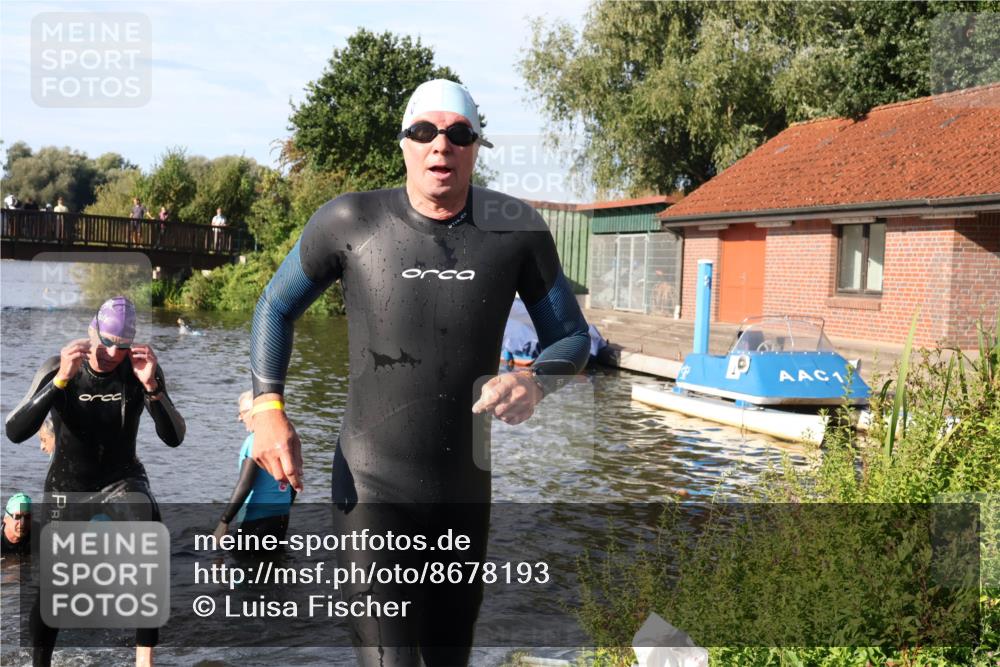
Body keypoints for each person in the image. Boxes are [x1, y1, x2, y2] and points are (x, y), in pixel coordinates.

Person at [247, 79, 591, 666]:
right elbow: (275, 306)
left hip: (463, 492)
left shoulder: (516, 230)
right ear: (404, 143)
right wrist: (268, 409)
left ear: (476, 146)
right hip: (371, 487)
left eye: (458, 134)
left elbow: (572, 335)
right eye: (424, 132)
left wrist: (536, 380)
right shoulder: (351, 220)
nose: (441, 145)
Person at [4, 295, 185, 667]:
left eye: (119, 347)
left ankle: (144, 662)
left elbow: (174, 436)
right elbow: (14, 431)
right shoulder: (59, 366)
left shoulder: (138, 371)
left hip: (122, 478)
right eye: (104, 342)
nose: (109, 353)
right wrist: (59, 382)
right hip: (69, 485)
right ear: (92, 331)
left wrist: (152, 387)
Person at [214, 391, 294, 543]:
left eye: (242, 412)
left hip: (255, 516)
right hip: (282, 515)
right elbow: (294, 479)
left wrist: (224, 522)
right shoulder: (284, 437)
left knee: (240, 562)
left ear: (255, 412)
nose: (239, 418)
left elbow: (245, 485)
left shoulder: (255, 441)